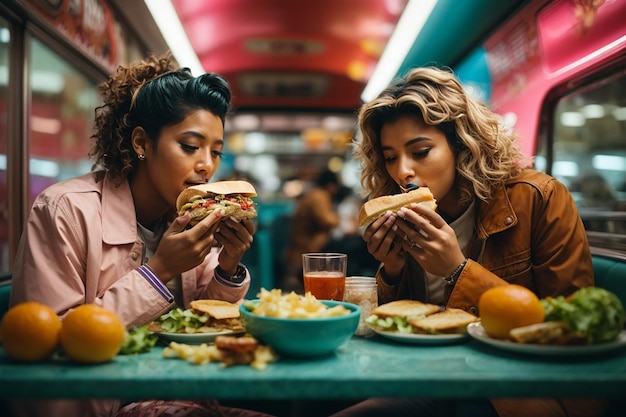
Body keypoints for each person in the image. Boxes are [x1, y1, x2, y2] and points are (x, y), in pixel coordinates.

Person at [329, 67, 607, 417]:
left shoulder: (539, 198)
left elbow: (570, 331)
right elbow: (405, 331)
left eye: (421, 151)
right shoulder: (407, 218)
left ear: (462, 145)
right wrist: (394, 270)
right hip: (435, 378)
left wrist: (456, 270)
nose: (402, 171)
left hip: (518, 384)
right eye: (389, 157)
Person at [9, 53, 275, 417]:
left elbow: (204, 324)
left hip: (185, 394)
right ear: (141, 143)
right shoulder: (65, 210)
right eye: (190, 146)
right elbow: (51, 344)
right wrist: (159, 272)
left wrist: (228, 266)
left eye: (215, 152)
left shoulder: (187, 217)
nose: (207, 166)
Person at [282, 169, 341, 292]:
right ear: (331, 186)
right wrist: (338, 218)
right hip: (306, 248)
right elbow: (326, 221)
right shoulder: (319, 196)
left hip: (301, 246)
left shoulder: (313, 194)